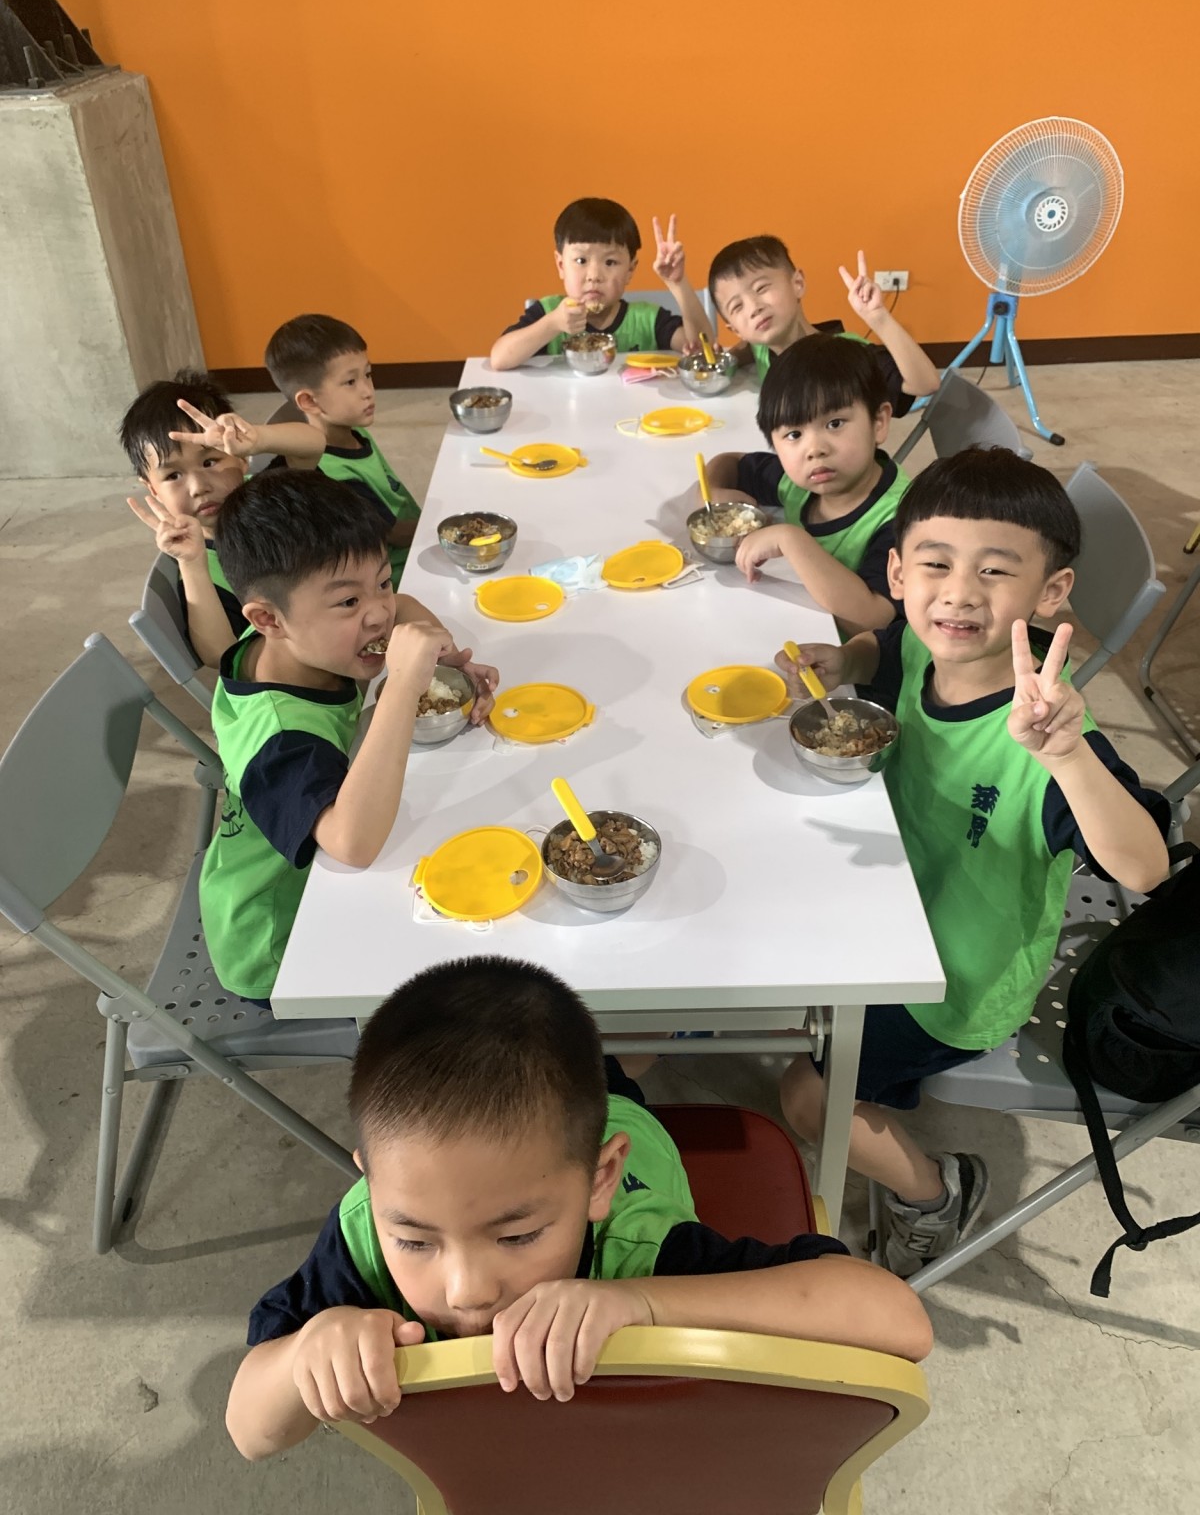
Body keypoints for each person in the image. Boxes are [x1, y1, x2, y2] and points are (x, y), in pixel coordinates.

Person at [225, 956, 932, 1459]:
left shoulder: (642, 1248)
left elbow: (899, 1321)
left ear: (600, 1181)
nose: (466, 1290)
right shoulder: (364, 1234)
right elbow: (251, 1433)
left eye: (517, 1235)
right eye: (415, 1240)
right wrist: (306, 1356)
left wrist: (642, 1304)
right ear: (372, 1186)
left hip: (630, 1135)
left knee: (609, 1083)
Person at [776, 448, 1170, 1277]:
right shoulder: (930, 645)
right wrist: (850, 662)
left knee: (807, 1098)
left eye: (994, 571)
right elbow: (887, 647)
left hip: (954, 984)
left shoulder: (1045, 731)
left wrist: (1068, 755)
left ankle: (936, 1191)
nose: (957, 593)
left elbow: (1142, 867)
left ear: (1051, 592)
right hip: (887, 905)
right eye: (936, 565)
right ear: (898, 571)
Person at [199, 470, 498, 1004]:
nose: (379, 612)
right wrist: (404, 683)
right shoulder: (279, 736)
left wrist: (446, 659)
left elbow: (405, 610)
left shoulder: (296, 640)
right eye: (347, 603)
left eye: (381, 582)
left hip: (323, 887)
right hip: (281, 939)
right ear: (267, 619)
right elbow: (353, 843)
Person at [701, 333, 909, 636]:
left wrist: (790, 540)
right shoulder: (799, 482)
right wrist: (713, 492)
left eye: (834, 424)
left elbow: (873, 618)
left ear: (879, 422)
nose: (814, 449)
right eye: (794, 435)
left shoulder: (901, 518)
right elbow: (729, 463)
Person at [120, 370, 326, 667]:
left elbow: (314, 445)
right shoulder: (201, 566)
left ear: (241, 459)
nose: (198, 487)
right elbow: (221, 655)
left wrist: (258, 438)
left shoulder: (267, 493)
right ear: (152, 489)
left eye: (209, 461)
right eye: (173, 476)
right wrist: (191, 563)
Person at [264, 314, 422, 588]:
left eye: (367, 374)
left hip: (417, 547)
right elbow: (397, 535)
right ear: (309, 401)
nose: (368, 391)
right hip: (401, 578)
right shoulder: (332, 474)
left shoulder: (355, 432)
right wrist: (445, 525)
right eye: (350, 382)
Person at [707, 236, 940, 404]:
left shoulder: (847, 355)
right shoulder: (761, 348)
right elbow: (746, 348)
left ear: (797, 284)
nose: (754, 308)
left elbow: (926, 384)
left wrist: (878, 318)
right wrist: (727, 359)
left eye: (761, 288)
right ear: (735, 329)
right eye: (737, 306)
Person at [490, 200, 709, 370]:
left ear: (630, 270)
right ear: (561, 265)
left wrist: (677, 283)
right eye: (581, 261)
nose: (594, 276)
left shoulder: (648, 320)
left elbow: (702, 350)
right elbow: (499, 359)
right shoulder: (550, 312)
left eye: (610, 262)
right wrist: (552, 324)